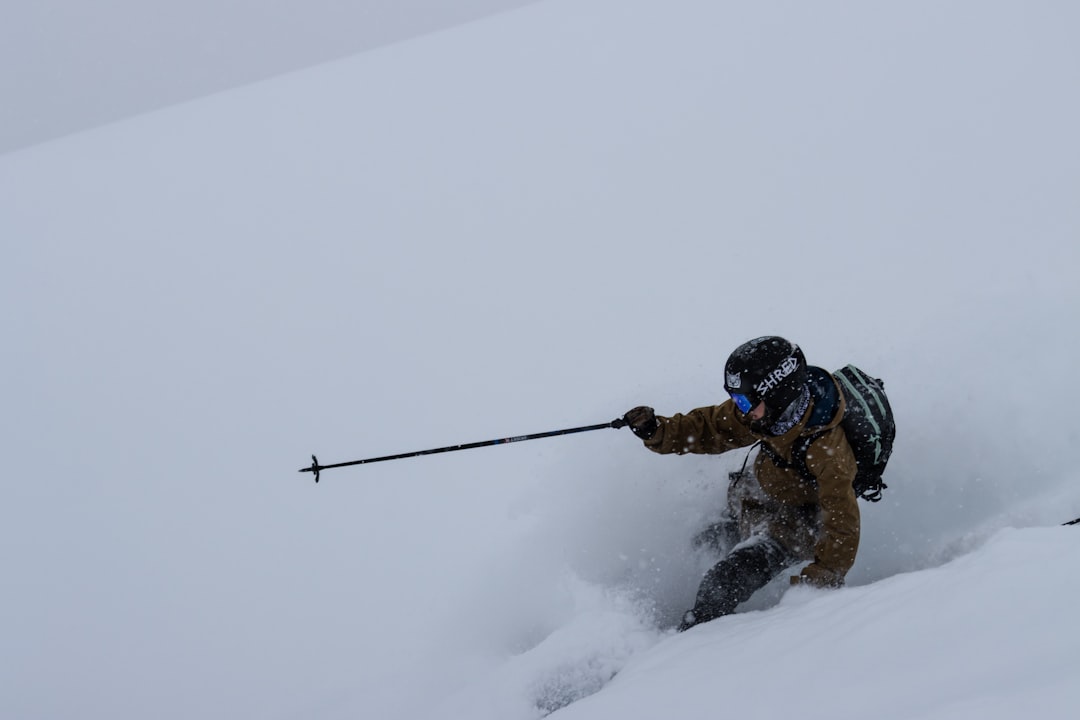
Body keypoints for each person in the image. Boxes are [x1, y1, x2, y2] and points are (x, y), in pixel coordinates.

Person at [623, 336, 860, 631]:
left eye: (744, 400)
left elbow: (842, 523)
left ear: (777, 394)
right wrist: (657, 430)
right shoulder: (763, 415)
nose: (740, 408)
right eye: (736, 399)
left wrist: (815, 587)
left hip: (794, 525)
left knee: (721, 583)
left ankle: (689, 644)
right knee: (705, 543)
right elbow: (710, 428)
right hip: (756, 502)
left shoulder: (827, 450)